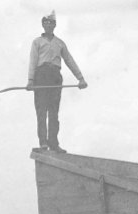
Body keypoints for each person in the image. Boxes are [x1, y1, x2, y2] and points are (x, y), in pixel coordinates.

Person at [27, 10, 88, 153]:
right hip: (41, 77)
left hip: (55, 77)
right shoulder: (37, 42)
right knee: (42, 111)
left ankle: (53, 143)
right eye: (46, 22)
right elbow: (32, 61)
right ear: (43, 24)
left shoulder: (60, 43)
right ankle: (43, 143)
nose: (48, 25)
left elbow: (69, 61)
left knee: (53, 112)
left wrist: (81, 79)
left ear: (55, 25)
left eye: (51, 23)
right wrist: (30, 80)